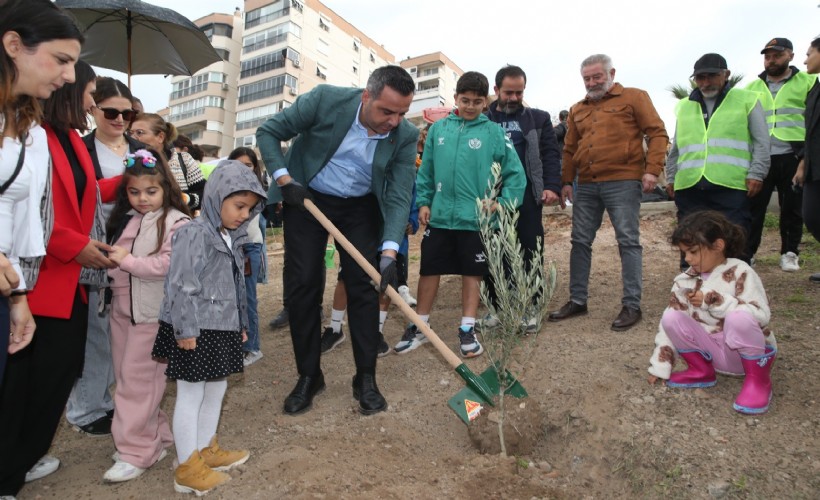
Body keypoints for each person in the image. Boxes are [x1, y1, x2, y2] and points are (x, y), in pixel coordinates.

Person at [256, 65, 418, 416]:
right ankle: (309, 376)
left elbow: (399, 194)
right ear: (366, 96)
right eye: (386, 111)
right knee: (303, 286)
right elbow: (268, 132)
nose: (394, 121)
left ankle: (365, 378)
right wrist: (285, 180)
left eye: (402, 113)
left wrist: (389, 251)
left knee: (363, 286)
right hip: (307, 195)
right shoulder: (325, 100)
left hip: (360, 206)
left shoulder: (404, 135)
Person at [0, 58, 114, 497]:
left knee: (55, 377)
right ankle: (9, 469)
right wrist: (74, 246)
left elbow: (82, 194)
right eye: (88, 91)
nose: (90, 99)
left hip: (70, 282)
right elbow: (36, 213)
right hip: (43, 278)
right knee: (28, 383)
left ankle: (21, 458)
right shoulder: (35, 136)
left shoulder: (69, 140)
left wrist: (127, 181)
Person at [393, 71, 525, 357]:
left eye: (477, 102)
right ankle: (420, 325)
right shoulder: (439, 130)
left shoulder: (493, 133)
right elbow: (426, 170)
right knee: (429, 270)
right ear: (455, 98)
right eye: (465, 100)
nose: (470, 106)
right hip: (439, 217)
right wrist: (425, 201)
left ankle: (467, 328)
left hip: (476, 219)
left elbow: (516, 174)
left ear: (486, 103)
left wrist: (502, 202)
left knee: (472, 273)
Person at [151, 161, 263, 496]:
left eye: (250, 208)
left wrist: (241, 323)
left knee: (217, 388)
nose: (244, 214)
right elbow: (180, 284)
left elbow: (236, 285)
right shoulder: (193, 232)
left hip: (222, 326)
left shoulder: (232, 237)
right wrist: (185, 330)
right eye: (238, 206)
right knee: (190, 393)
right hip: (196, 327)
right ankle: (186, 467)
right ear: (216, 197)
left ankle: (204, 449)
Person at [549, 54, 669, 331]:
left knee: (628, 240)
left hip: (623, 180)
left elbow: (658, 133)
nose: (592, 82)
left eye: (597, 77)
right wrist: (566, 180)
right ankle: (578, 300)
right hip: (587, 184)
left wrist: (652, 169)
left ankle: (631, 305)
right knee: (579, 241)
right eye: (587, 78)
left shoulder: (634, 97)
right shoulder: (577, 109)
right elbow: (568, 149)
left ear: (611, 73)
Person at [102, 148, 191, 482]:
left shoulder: (175, 221)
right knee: (130, 381)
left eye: (150, 191)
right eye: (133, 191)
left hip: (152, 316)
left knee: (137, 384)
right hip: (123, 312)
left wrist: (125, 261)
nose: (142, 198)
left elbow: (170, 266)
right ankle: (154, 438)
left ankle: (137, 451)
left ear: (165, 188)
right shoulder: (130, 220)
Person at [0, 0, 75, 389]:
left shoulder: (31, 130)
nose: (70, 75)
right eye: (61, 59)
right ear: (14, 45)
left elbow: (19, 217)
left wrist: (18, 297)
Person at [65, 76, 142, 438]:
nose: (119, 119)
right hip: (94, 252)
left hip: (135, 252)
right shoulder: (78, 149)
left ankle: (108, 400)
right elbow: (72, 195)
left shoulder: (141, 150)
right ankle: (86, 407)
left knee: (125, 333)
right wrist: (114, 187)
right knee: (97, 333)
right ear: (93, 109)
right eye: (111, 111)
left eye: (127, 112)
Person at [648, 211, 777, 415]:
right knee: (671, 317)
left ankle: (758, 382)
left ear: (718, 245)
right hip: (711, 354)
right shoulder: (684, 281)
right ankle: (700, 371)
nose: (688, 259)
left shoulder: (741, 272)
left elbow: (760, 315)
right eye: (684, 253)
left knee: (739, 316)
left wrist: (714, 300)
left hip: (743, 358)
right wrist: (661, 365)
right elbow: (667, 329)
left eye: (693, 251)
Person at [665, 53, 770, 267]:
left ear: (726, 75)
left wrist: (757, 173)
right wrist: (671, 177)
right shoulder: (684, 106)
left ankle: (734, 283)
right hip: (690, 184)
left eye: (711, 76)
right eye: (700, 78)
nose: (705, 82)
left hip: (731, 184)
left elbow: (761, 141)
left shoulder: (746, 100)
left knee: (733, 237)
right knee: (690, 236)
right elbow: (676, 147)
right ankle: (692, 284)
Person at [484, 64, 561, 332]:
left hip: (528, 194)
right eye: (508, 92)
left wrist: (552, 185)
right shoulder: (483, 119)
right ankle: (498, 307)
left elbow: (551, 153)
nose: (514, 98)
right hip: (492, 195)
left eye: (519, 92)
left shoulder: (538, 119)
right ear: (496, 90)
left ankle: (532, 307)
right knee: (495, 250)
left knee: (530, 249)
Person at [321, 189, 419, 356]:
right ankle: (335, 328)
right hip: (362, 233)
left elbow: (411, 203)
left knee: (386, 286)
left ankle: (376, 333)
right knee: (345, 278)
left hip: (393, 240)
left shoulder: (405, 174)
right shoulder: (367, 168)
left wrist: (412, 222)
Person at [746, 38, 816, 271]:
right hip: (762, 155)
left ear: (791, 56)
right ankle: (747, 253)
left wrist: (806, 156)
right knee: (754, 208)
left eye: (777, 55)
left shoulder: (808, 82)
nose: (771, 60)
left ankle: (790, 252)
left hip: (793, 155)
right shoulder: (752, 88)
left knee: (792, 208)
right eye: (767, 56)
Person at [227, 147, 269, 367]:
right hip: (229, 247)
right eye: (237, 164)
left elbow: (240, 221)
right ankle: (238, 343)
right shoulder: (224, 186)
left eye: (248, 165)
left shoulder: (254, 190)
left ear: (255, 168)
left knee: (247, 299)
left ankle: (252, 347)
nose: (242, 169)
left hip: (247, 248)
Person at [130, 113, 206, 212]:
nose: (133, 137)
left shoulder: (184, 160)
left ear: (160, 137)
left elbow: (205, 194)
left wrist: (185, 199)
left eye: (139, 132)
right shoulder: (130, 161)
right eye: (130, 133)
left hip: (178, 224)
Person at [796, 36, 820, 284]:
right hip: (815, 165)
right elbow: (810, 131)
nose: (806, 59)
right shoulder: (814, 90)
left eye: (809, 53)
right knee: (812, 216)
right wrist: (803, 163)